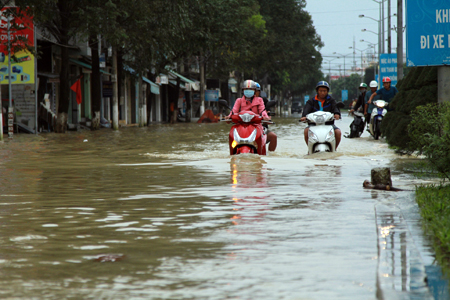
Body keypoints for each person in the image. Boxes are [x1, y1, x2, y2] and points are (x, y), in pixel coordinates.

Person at [225, 80, 274, 150]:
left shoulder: (259, 100)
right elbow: (234, 111)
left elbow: (262, 111)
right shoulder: (239, 100)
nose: (248, 91)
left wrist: (265, 117)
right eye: (246, 89)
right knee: (232, 134)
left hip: (256, 125)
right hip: (241, 125)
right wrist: (229, 117)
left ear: (254, 90)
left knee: (271, 136)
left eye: (250, 89)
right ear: (243, 90)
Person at [300, 81, 342, 149]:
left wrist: (337, 114)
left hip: (329, 124)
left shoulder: (331, 100)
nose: (322, 93)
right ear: (317, 91)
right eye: (321, 91)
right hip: (313, 124)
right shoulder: (311, 101)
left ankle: (334, 149)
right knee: (306, 131)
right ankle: (310, 149)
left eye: (324, 91)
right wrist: (304, 117)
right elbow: (306, 110)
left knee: (338, 132)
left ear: (327, 91)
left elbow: (335, 108)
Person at [255, 82, 277, 151]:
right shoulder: (241, 101)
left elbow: (268, 115)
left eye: (256, 91)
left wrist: (267, 118)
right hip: (246, 127)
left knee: (273, 137)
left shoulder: (263, 101)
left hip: (261, 127)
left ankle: (270, 155)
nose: (255, 93)